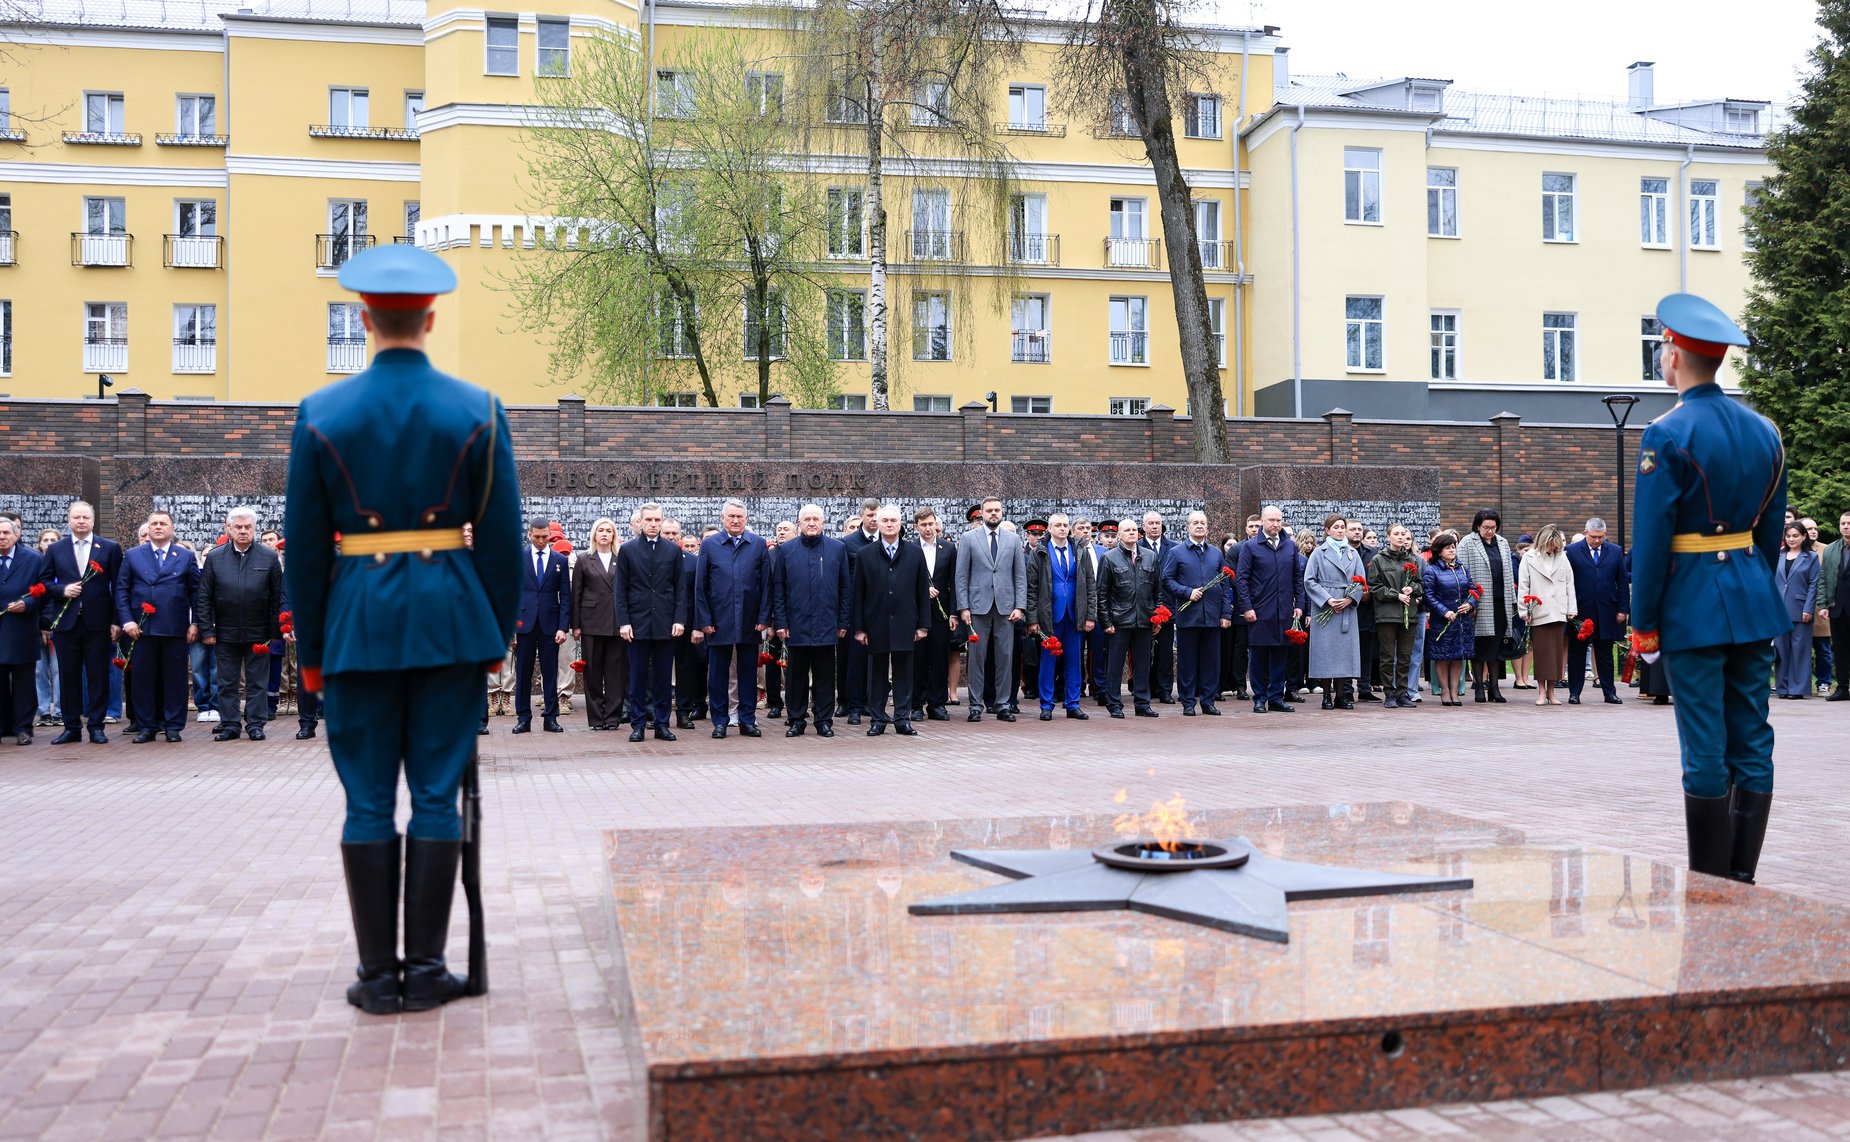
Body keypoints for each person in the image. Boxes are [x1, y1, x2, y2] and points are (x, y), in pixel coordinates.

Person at [283, 243, 522, 1014]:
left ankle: (377, 978)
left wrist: (313, 658)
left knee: (364, 802)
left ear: (363, 319)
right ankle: (425, 971)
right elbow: (502, 546)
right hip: (452, 627)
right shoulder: (478, 409)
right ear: (429, 316)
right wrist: (492, 640)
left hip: (356, 629)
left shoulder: (320, 414)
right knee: (436, 798)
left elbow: (307, 549)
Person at [1629, 292, 1788, 884]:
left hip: (1693, 607)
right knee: (1752, 739)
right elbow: (1769, 532)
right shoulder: (1765, 432)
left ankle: (1711, 886)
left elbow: (1651, 542)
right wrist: (1749, 588)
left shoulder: (1666, 434)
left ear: (1673, 355)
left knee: (1703, 746)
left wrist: (1643, 621)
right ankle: (1741, 878)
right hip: (1751, 602)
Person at [196, 507, 285, 741]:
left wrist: (275, 631)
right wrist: (207, 628)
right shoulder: (215, 558)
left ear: (254, 528)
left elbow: (277, 597)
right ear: (229, 528)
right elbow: (204, 597)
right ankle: (230, 724)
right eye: (238, 527)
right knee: (226, 682)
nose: (243, 531)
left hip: (260, 632)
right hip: (225, 632)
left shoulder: (268, 557)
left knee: (257, 682)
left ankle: (255, 724)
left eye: (248, 527)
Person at [40, 500, 123, 745]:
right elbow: (43, 584)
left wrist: (117, 621)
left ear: (93, 520)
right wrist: (61, 589)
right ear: (69, 520)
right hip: (66, 624)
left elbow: (119, 587)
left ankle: (96, 726)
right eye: (76, 517)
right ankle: (71, 727)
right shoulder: (57, 549)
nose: (81, 521)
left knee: (98, 676)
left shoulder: (109, 548)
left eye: (86, 517)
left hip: (98, 624)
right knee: (68, 676)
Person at [114, 511, 200, 743]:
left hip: (174, 628)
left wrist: (195, 623)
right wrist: (127, 621)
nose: (158, 527)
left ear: (172, 528)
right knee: (143, 679)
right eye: (154, 524)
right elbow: (122, 590)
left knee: (175, 679)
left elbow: (196, 592)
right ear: (148, 529)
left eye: (163, 523)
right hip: (141, 630)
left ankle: (173, 726)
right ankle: (146, 726)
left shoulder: (184, 556)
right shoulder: (133, 555)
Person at [695, 498, 772, 740]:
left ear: (746, 519)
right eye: (731, 516)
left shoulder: (758, 544)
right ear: (723, 519)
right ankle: (720, 720)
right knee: (718, 673)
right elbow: (701, 586)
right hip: (719, 620)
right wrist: (703, 619)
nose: (736, 520)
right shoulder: (710, 545)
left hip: (750, 619)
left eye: (740, 516)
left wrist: (764, 617)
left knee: (748, 672)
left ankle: (747, 720)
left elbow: (766, 585)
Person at [850, 505, 930, 736]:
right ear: (877, 522)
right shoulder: (865, 554)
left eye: (893, 520)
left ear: (900, 523)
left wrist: (923, 625)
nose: (889, 524)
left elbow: (921, 592)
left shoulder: (915, 553)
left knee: (904, 673)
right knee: (876, 674)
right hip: (876, 624)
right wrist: (859, 628)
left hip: (906, 623)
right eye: (884, 520)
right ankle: (877, 719)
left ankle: (902, 718)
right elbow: (859, 594)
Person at [773, 504, 850, 737]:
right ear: (799, 523)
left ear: (823, 523)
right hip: (796, 625)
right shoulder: (786, 551)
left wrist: (843, 622)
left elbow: (845, 588)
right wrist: (781, 622)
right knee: (796, 677)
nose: (812, 523)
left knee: (825, 676)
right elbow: (779, 589)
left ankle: (823, 720)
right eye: (807, 519)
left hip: (827, 624)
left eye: (816, 519)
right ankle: (796, 719)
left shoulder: (837, 549)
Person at [616, 502, 687, 742]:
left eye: (657, 520)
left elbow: (680, 588)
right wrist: (623, 622)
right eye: (649, 520)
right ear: (641, 522)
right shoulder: (627, 550)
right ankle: (638, 724)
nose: (654, 525)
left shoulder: (673, 550)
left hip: (666, 623)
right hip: (637, 624)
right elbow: (621, 590)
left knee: (663, 677)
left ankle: (662, 723)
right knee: (637, 677)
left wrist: (679, 619)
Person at [956, 497, 1026, 723]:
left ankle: (1003, 703)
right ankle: (975, 705)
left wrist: (1020, 606)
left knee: (1005, 657)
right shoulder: (968, 538)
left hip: (1006, 607)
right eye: (989, 510)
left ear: (1002, 512)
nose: (993, 514)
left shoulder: (1013, 539)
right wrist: (963, 607)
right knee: (977, 657)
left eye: (997, 510)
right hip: (977, 607)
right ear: (982, 513)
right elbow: (962, 575)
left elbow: (1020, 575)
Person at [1026, 513, 1096, 720]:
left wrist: (1090, 615)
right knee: (1048, 661)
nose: (1062, 529)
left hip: (1075, 614)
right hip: (1049, 615)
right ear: (1049, 528)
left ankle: (1073, 703)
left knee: (1074, 660)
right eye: (1058, 525)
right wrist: (1032, 619)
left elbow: (1091, 586)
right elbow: (1032, 588)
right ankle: (1046, 705)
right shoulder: (1039, 552)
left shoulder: (1080, 551)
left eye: (1065, 525)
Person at [1159, 510, 1230, 716]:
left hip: (1212, 617)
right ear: (1188, 527)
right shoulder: (1176, 552)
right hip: (1188, 617)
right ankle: (1188, 702)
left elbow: (1224, 585)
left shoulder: (1216, 553)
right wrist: (1187, 592)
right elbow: (1167, 580)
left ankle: (1208, 701)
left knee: (1211, 662)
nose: (1199, 526)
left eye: (1203, 523)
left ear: (1207, 528)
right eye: (1195, 523)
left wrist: (1225, 614)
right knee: (1187, 662)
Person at [1237, 506, 1305, 714]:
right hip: (1259, 611)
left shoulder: (1289, 547)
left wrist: (1300, 605)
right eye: (1271, 520)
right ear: (1263, 522)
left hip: (1284, 611)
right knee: (1258, 656)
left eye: (1279, 520)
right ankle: (1260, 697)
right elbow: (1242, 579)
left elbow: (1297, 578)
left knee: (1280, 655)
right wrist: (1247, 607)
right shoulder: (1250, 547)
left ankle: (1276, 696)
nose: (1276, 524)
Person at [511, 517, 570, 734]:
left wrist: (563, 627)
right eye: (537, 537)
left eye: (545, 537)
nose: (541, 541)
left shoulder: (559, 561)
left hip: (550, 624)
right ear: (529, 535)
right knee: (523, 672)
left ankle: (551, 717)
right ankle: (523, 717)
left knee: (550, 672)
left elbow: (565, 596)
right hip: (524, 624)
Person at [1096, 517, 1159, 718]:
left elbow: (1158, 592)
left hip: (1144, 619)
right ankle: (1114, 703)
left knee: (1142, 664)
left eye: (1134, 529)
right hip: (1119, 620)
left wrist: (1157, 617)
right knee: (1114, 665)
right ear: (1120, 535)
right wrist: (1106, 622)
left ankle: (1142, 703)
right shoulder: (1109, 558)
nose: (1132, 533)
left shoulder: (1150, 557)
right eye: (1127, 530)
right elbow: (1102, 593)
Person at [1562, 518, 1628, 705]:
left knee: (1605, 654)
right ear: (1585, 533)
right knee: (1576, 654)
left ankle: (1609, 692)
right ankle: (1574, 692)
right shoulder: (1572, 551)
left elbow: (1622, 582)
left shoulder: (1615, 551)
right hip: (1580, 611)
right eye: (1593, 537)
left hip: (1607, 611)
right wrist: (1568, 608)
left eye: (1600, 537)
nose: (1597, 540)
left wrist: (1623, 609)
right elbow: (1567, 582)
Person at [1304, 514, 1367, 710]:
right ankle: (1326, 696)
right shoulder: (1318, 552)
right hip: (1325, 606)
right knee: (1326, 653)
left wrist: (1349, 599)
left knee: (1343, 655)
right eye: (1336, 527)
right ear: (1327, 530)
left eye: (1342, 527)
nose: (1340, 530)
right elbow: (1309, 580)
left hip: (1346, 607)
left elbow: (1360, 580)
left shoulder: (1352, 553)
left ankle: (1341, 695)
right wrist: (1328, 599)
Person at [571, 518, 625, 730]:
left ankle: (612, 717)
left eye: (608, 531)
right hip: (591, 622)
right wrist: (575, 625)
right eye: (600, 530)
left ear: (614, 535)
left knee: (615, 672)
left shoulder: (621, 559)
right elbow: (577, 593)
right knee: (592, 671)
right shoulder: (584, 559)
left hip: (615, 622)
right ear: (594, 534)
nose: (604, 534)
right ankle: (596, 718)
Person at [1459, 509, 1517, 704]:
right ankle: (1479, 687)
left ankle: (1494, 687)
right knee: (1480, 645)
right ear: (1477, 526)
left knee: (1497, 645)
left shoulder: (1502, 542)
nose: (1490, 531)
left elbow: (1508, 572)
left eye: (1493, 527)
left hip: (1501, 602)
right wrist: (1468, 600)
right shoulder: (1468, 542)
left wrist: (1513, 600)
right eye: (1486, 527)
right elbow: (1462, 572)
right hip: (1479, 603)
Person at [1517, 524, 1576, 708]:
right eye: (1551, 544)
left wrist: (1571, 608)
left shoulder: (1563, 558)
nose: (1554, 548)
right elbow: (1524, 585)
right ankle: (1541, 690)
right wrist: (1524, 610)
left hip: (1558, 610)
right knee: (1542, 653)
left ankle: (1552, 690)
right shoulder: (1529, 558)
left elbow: (1569, 584)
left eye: (1556, 544)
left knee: (1557, 653)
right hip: (1539, 611)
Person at [1366, 524, 1424, 708]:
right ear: (1388, 536)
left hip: (1409, 615)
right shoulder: (1378, 560)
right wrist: (1396, 594)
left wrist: (1412, 588)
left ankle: (1402, 692)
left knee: (1405, 655)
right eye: (1396, 534)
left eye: (1403, 534)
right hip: (1387, 615)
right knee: (1387, 656)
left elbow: (1420, 585)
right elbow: (1374, 586)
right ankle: (1389, 692)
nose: (1400, 537)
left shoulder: (1412, 560)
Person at [0, 519, 47, 745]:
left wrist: (28, 604)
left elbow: (43, 591)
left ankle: (23, 728)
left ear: (16, 535)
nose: (2, 536)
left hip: (21, 629)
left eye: (6, 532)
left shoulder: (33, 559)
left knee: (24, 682)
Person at [911, 508, 959, 721]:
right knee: (917, 659)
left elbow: (954, 583)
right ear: (916, 527)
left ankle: (937, 704)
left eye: (931, 524)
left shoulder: (948, 548)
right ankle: (916, 705)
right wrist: (922, 589)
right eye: (923, 525)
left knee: (939, 658)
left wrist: (953, 614)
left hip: (941, 614)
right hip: (917, 613)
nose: (928, 528)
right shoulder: (910, 549)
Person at [837, 497, 880, 724]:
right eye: (870, 515)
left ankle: (873, 705)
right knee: (854, 660)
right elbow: (843, 580)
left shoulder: (889, 540)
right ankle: (853, 706)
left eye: (877, 515)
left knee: (878, 660)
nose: (874, 520)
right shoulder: (848, 543)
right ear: (862, 515)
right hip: (857, 610)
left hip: (882, 611)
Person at [1422, 531, 1476, 706]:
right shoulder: (1432, 571)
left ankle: (1455, 691)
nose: (1452, 550)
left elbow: (1474, 590)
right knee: (1443, 656)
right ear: (1439, 551)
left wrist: (1471, 604)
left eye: (1453, 547)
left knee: (1457, 656)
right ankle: (1445, 691)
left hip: (1462, 620)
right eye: (1448, 548)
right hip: (1443, 620)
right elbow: (1428, 596)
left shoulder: (1463, 568)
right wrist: (1444, 611)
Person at [1773, 523, 1819, 701]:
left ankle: (1797, 688)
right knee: (1781, 649)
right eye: (1788, 536)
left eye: (1795, 536)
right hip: (1779, 609)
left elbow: (1814, 584)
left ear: (1804, 537)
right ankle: (1782, 687)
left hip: (1801, 609)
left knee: (1800, 650)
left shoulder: (1811, 557)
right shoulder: (1778, 555)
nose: (1791, 539)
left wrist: (1808, 608)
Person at [1138, 510, 1176, 703]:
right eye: (1151, 523)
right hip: (1141, 608)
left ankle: (1164, 690)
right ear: (1143, 527)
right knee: (1143, 651)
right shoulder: (1135, 547)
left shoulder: (1174, 548)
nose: (1155, 526)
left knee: (1165, 652)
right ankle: (1144, 688)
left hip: (1166, 608)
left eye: (1158, 523)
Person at [1346, 520, 1382, 701]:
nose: (1357, 532)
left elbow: (1379, 578)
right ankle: (1345, 688)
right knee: (1346, 650)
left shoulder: (1373, 553)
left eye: (1360, 529)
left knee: (1366, 651)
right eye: (1353, 529)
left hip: (1367, 610)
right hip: (1346, 608)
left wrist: (1371, 592)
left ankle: (1364, 688)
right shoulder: (1341, 552)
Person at [1823, 510, 1849, 702]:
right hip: (1837, 607)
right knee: (1839, 649)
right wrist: (1823, 604)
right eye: (1843, 524)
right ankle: (1842, 688)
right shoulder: (1831, 549)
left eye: (1849, 524)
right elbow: (1823, 577)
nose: (1846, 527)